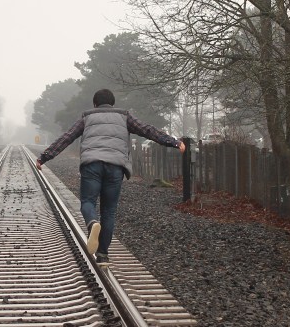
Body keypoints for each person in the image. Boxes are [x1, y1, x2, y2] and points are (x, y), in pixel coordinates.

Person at [36, 89, 186, 266]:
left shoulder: (87, 117)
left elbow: (66, 138)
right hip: (115, 166)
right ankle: (103, 255)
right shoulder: (124, 116)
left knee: (88, 202)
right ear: (113, 104)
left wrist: (44, 157)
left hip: (92, 165)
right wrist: (174, 142)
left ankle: (92, 223)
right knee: (109, 211)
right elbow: (148, 130)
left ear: (95, 104)